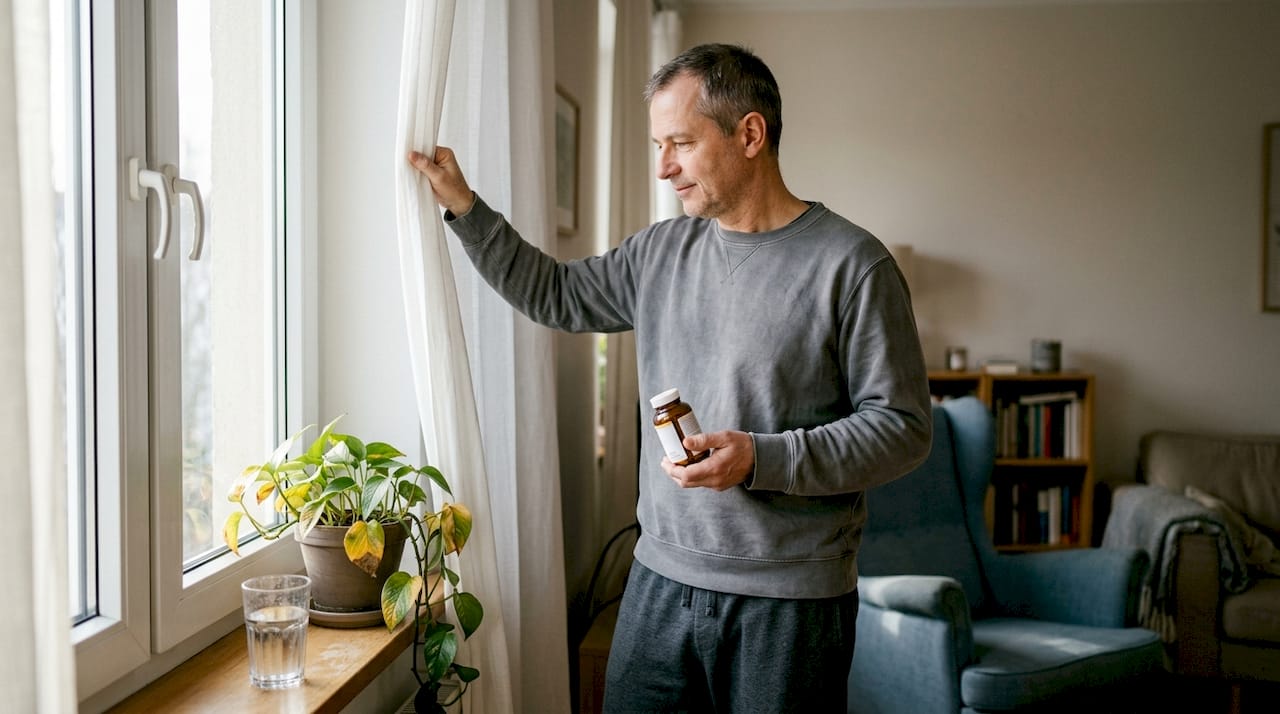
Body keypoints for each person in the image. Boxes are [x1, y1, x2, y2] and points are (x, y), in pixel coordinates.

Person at [408, 43, 932, 714]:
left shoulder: (853, 265)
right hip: (658, 584)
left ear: (749, 134)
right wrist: (464, 207)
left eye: (679, 142)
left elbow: (904, 430)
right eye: (659, 144)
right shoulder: (659, 251)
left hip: (792, 602)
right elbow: (554, 294)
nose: (664, 168)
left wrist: (761, 457)